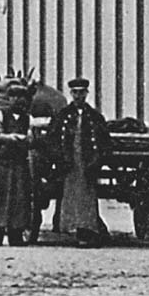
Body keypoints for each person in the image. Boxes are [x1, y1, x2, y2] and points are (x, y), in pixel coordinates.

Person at [46, 77, 112, 247]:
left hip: (87, 163)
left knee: (87, 197)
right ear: (71, 94)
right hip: (70, 164)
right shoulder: (63, 116)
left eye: (81, 93)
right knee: (70, 194)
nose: (78, 96)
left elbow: (104, 141)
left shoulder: (95, 116)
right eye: (75, 93)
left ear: (86, 94)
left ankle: (87, 231)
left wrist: (97, 161)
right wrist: (59, 159)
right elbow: (51, 139)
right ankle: (71, 227)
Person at [0, 76, 38, 247]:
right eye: (14, 97)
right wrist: (12, 138)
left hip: (19, 163)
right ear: (8, 99)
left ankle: (16, 234)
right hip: (1, 163)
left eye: (21, 98)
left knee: (19, 198)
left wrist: (27, 140)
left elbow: (31, 137)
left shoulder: (27, 119)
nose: (18, 101)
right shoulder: (1, 115)